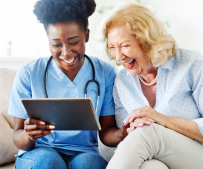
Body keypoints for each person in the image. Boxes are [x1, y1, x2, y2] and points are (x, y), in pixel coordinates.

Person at [97, 2, 203, 169]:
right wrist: (127, 131)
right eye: (112, 48)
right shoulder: (122, 81)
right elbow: (128, 141)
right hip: (165, 161)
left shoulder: (190, 63)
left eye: (124, 46)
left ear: (147, 41)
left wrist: (161, 119)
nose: (118, 57)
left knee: (148, 132)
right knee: (149, 167)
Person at [8, 0, 128, 168]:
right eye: (56, 44)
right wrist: (29, 135)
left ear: (86, 35)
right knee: (49, 161)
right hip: (40, 152)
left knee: (90, 164)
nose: (66, 52)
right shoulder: (28, 74)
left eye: (73, 42)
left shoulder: (105, 72)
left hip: (85, 152)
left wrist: (123, 132)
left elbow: (106, 133)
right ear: (48, 40)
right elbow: (18, 138)